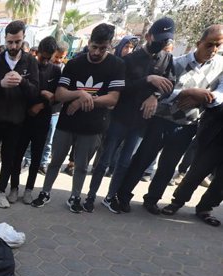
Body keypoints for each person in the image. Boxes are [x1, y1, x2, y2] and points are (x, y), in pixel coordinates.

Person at [116, 24, 223, 214]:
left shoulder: (220, 67)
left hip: (187, 126)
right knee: (142, 159)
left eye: (218, 45)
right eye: (210, 44)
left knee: (167, 166)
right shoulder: (177, 62)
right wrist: (187, 93)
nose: (213, 50)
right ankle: (123, 196)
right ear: (199, 43)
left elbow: (218, 95)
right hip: (161, 120)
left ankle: (152, 200)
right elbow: (161, 91)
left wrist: (204, 96)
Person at [31, 23, 125, 213]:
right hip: (67, 123)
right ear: (89, 42)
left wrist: (83, 99)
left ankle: (75, 196)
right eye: (94, 47)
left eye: (103, 48)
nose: (97, 52)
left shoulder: (117, 65)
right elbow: (59, 94)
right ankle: (45, 192)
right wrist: (79, 94)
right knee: (55, 160)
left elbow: (113, 99)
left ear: (110, 45)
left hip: (93, 126)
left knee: (82, 165)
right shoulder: (74, 63)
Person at [85, 18, 176, 213]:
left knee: (124, 163)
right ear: (148, 36)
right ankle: (90, 196)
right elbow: (121, 88)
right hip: (120, 118)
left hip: (141, 122)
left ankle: (110, 197)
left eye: (165, 40)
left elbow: (170, 85)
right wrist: (147, 80)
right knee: (104, 160)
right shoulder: (128, 60)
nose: (161, 43)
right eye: (158, 39)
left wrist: (155, 95)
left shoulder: (167, 59)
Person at [0, 20, 39, 208]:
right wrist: (0, 84)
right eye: (10, 42)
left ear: (23, 38)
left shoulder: (30, 61)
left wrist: (23, 82)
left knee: (9, 159)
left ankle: (1, 191)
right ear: (5, 39)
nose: (13, 46)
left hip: (16, 120)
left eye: (17, 42)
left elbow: (35, 92)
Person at [161, 94, 223, 226]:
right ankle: (177, 202)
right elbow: (215, 100)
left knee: (221, 184)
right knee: (197, 172)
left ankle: (205, 208)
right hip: (216, 138)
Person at [14, 36, 61, 204]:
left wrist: (41, 105)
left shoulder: (56, 71)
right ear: (37, 52)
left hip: (43, 121)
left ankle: (28, 190)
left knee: (36, 157)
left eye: (49, 58)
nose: (45, 61)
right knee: (17, 155)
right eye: (43, 57)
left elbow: (57, 97)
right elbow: (22, 91)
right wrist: (41, 95)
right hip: (24, 118)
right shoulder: (28, 66)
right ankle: (14, 188)